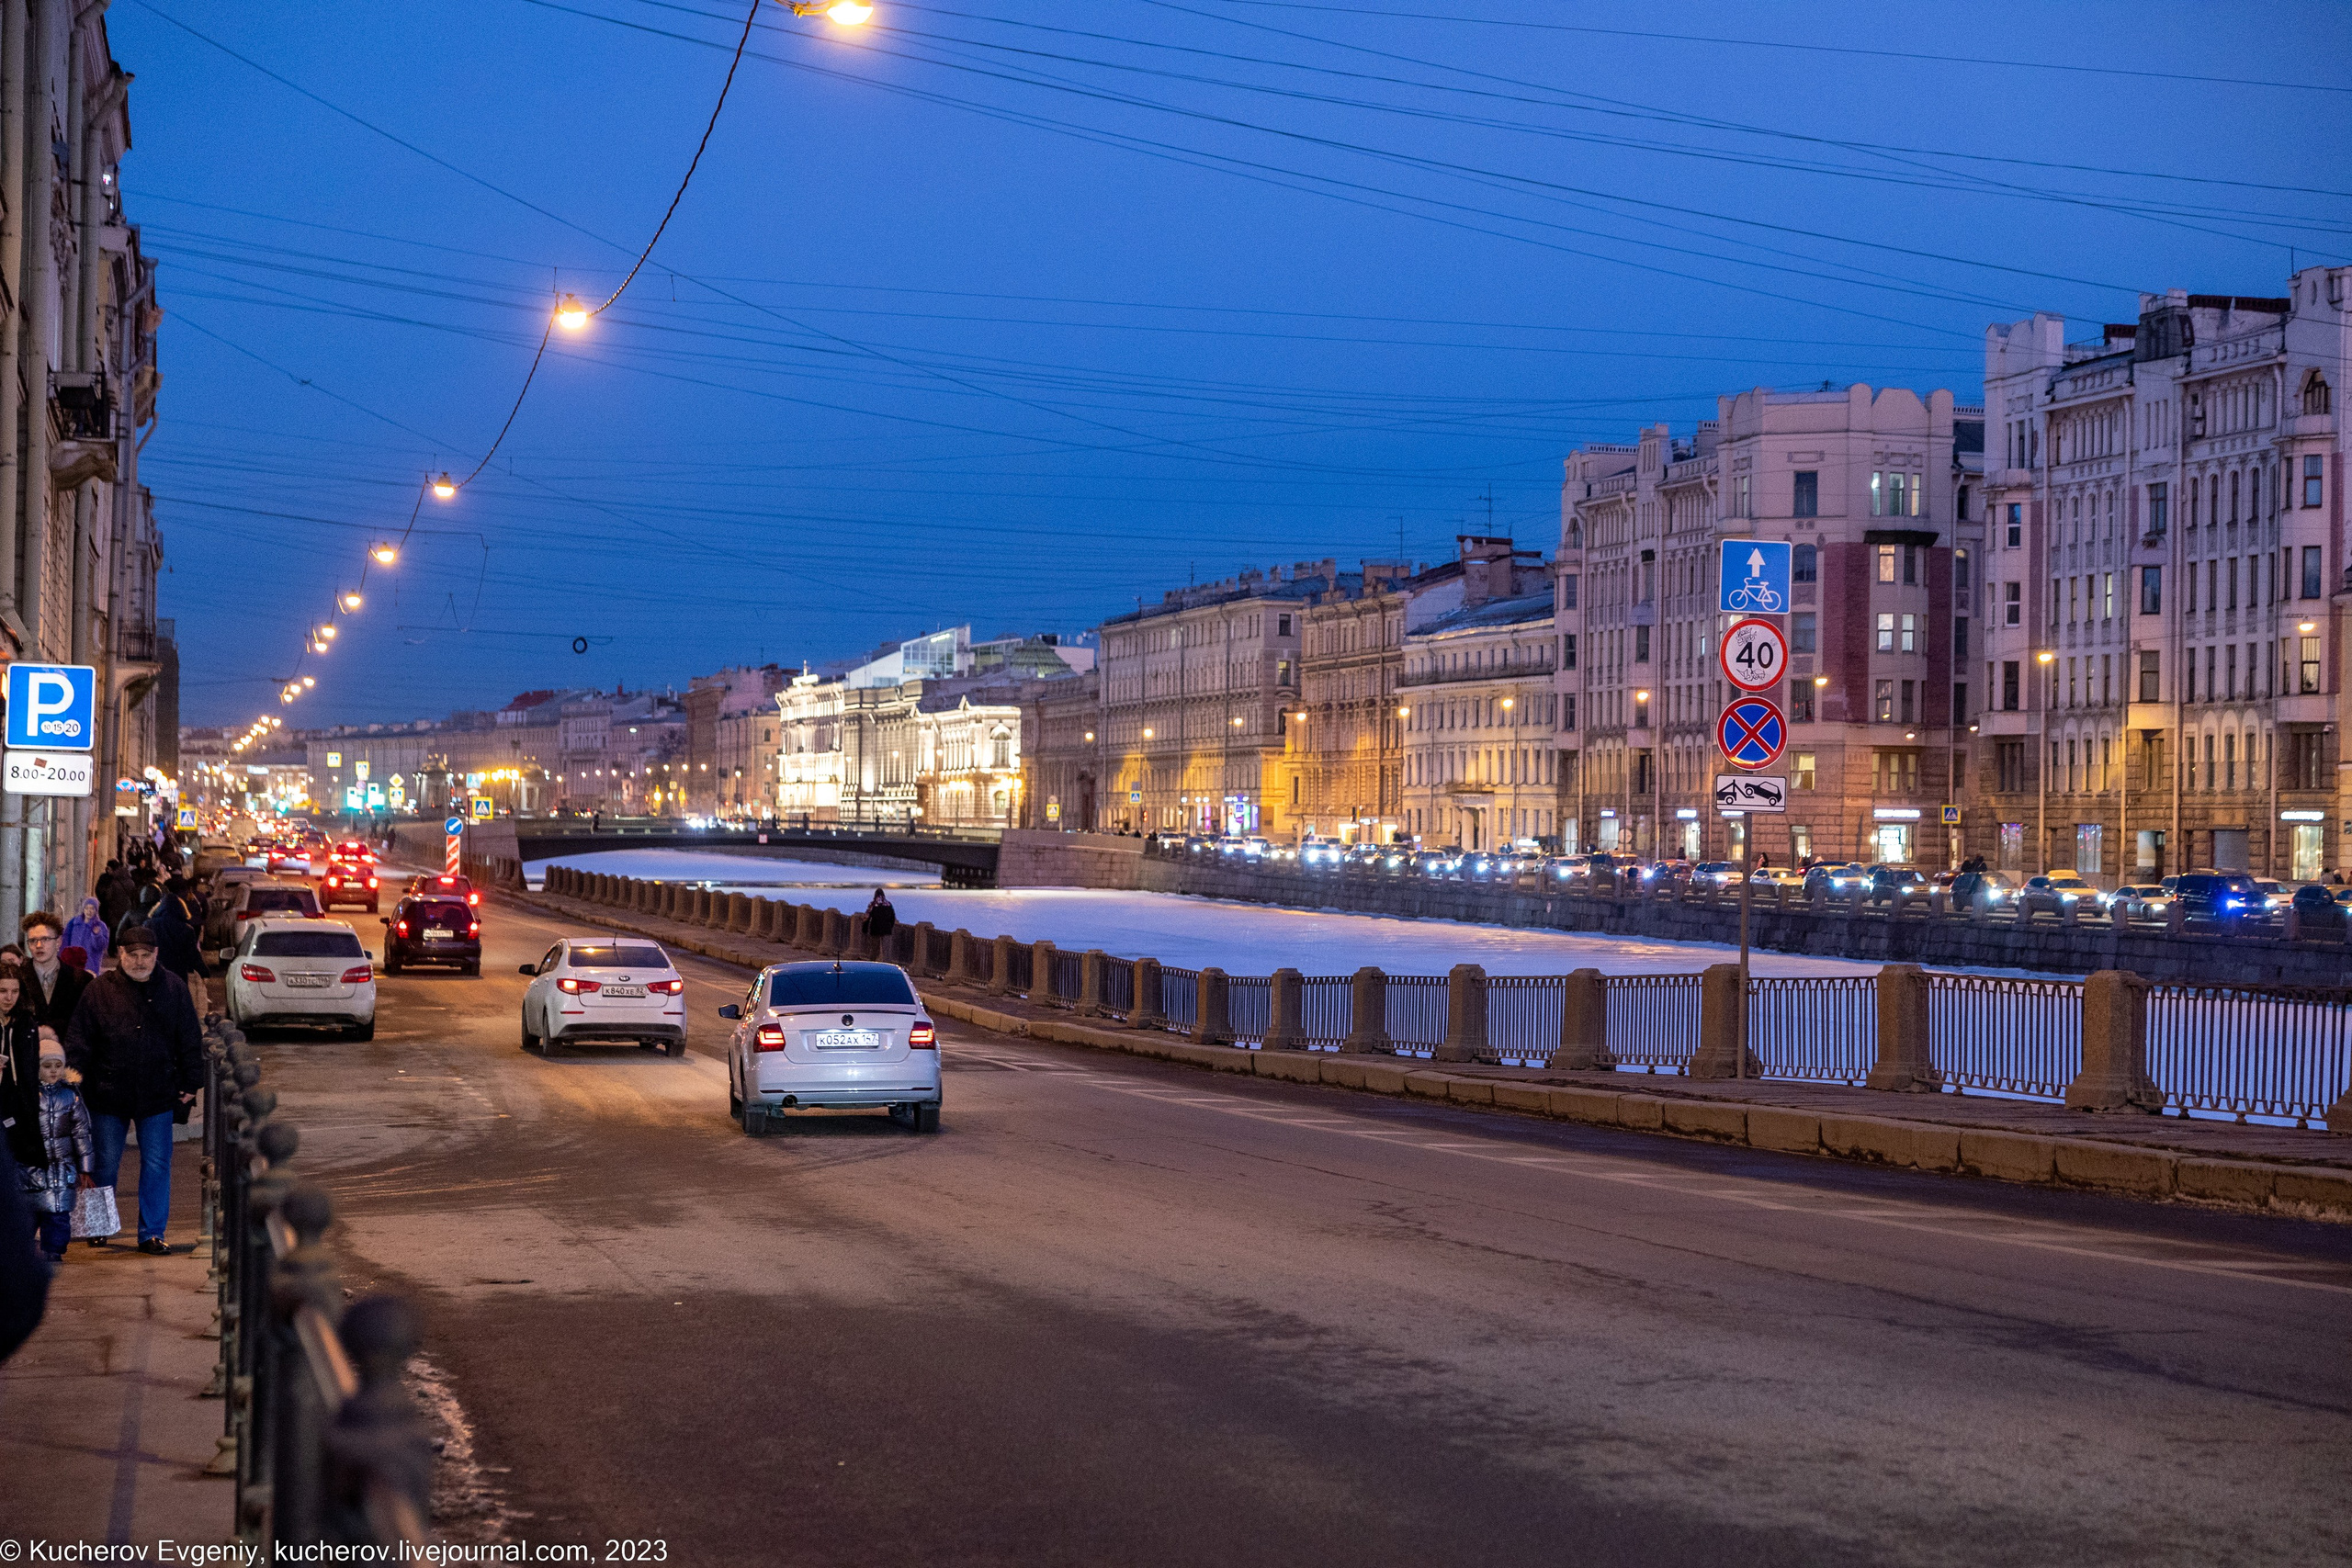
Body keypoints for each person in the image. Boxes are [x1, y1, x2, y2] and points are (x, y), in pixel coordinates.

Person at [62, 925, 203, 1257]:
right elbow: (80, 1040)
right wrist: (74, 1083)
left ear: (156, 955)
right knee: (106, 1162)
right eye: (132, 955)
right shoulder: (99, 991)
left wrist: (189, 1082)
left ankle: (152, 1233)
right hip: (107, 1092)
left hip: (157, 1092)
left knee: (157, 1163)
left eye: (146, 955)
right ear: (120, 955)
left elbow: (189, 1037)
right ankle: (99, 1225)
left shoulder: (173, 988)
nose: (139, 962)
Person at [24, 1039, 92, 1262]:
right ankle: (24, 1251)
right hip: (33, 1167)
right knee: (31, 1211)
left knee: (58, 1212)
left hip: (63, 1168)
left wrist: (86, 1167)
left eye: (57, 1066)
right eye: (47, 1066)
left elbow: (81, 1132)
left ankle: (54, 1250)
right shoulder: (28, 1095)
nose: (53, 1071)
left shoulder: (70, 1096)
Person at [20, 914, 90, 1035]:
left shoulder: (81, 979)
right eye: (32, 941)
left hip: (67, 1049)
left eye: (45, 939)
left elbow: (85, 1023)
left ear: (58, 941)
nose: (38, 945)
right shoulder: (18, 976)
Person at [62, 897, 109, 976]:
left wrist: (97, 935)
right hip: (73, 962)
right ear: (83, 910)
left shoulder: (100, 926)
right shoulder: (74, 923)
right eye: (86, 908)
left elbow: (101, 946)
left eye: (92, 909)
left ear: (96, 911)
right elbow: (66, 939)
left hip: (91, 963)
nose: (89, 911)